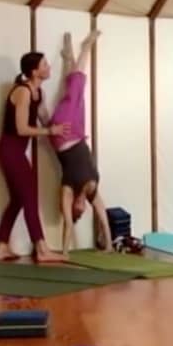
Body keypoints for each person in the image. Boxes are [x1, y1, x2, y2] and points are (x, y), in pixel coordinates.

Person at [0, 51, 71, 262]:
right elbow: (21, 128)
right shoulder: (23, 91)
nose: (49, 68)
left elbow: (46, 120)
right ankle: (42, 249)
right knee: (29, 198)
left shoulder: (40, 93)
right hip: (9, 150)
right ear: (34, 71)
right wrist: (50, 132)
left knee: (18, 200)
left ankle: (1, 247)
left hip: (16, 152)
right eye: (45, 65)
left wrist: (66, 125)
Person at [48, 30, 113, 257]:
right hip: (76, 130)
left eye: (77, 212)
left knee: (76, 88)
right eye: (82, 211)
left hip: (63, 133)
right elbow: (103, 216)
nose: (80, 209)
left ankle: (85, 47)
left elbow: (66, 221)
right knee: (75, 92)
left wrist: (65, 251)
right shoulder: (92, 191)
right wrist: (109, 245)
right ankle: (70, 55)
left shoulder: (68, 189)